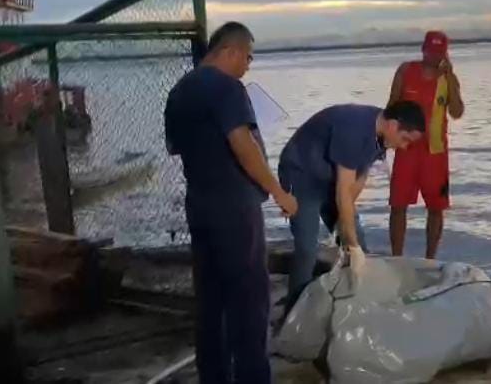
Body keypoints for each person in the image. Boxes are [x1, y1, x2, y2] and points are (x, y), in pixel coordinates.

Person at [164, 21, 298, 384]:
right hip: (236, 209)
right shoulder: (227, 88)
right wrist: (279, 191)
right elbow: (242, 145)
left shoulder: (179, 91)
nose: (248, 66)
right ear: (231, 51)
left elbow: (177, 148)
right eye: (248, 57)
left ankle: (215, 377)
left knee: (211, 302)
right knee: (250, 304)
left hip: (200, 206)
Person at [278, 101, 425, 311]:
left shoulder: (380, 136)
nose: (404, 147)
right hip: (301, 176)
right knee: (307, 249)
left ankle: (356, 300)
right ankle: (293, 310)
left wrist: (347, 233)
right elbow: (343, 193)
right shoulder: (353, 130)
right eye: (405, 139)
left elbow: (358, 180)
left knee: (358, 243)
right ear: (393, 125)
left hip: (332, 180)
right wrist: (350, 243)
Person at [388, 30, 465, 259]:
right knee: (398, 204)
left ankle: (430, 258)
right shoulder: (405, 71)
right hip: (406, 149)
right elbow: (391, 106)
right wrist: (388, 139)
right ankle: (396, 258)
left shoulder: (447, 78)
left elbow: (457, 112)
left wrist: (450, 77)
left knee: (436, 208)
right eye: (431, 51)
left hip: (435, 152)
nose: (434, 57)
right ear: (423, 49)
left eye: (439, 53)